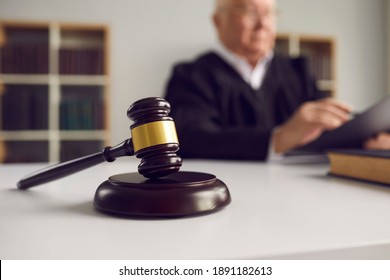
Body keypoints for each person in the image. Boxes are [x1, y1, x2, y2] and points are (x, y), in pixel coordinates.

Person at [164, 0, 390, 160]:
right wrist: (278, 139)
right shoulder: (190, 75)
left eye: (270, 13)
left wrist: (371, 138)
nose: (263, 24)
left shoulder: (297, 70)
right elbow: (189, 137)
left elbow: (328, 124)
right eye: (249, 11)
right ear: (217, 21)